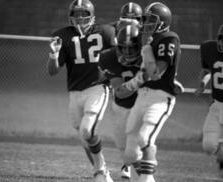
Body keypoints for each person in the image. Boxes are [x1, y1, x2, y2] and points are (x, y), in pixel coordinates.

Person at [47, 0, 116, 182]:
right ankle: (101, 171)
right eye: (75, 14)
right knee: (84, 137)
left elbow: (118, 58)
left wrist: (116, 78)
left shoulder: (106, 32)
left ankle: (100, 170)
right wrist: (53, 54)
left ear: (91, 15)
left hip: (97, 88)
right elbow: (53, 71)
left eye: (83, 13)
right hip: (75, 92)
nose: (79, 18)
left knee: (87, 130)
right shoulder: (62, 36)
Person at [119, 2, 183, 182]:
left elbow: (156, 73)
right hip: (143, 95)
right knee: (130, 152)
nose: (146, 23)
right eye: (145, 19)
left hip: (160, 98)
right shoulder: (148, 38)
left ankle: (146, 179)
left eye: (151, 20)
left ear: (162, 21)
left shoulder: (169, 38)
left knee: (144, 138)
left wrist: (132, 84)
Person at [98, 22, 143, 180]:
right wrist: (140, 79)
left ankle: (146, 177)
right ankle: (138, 172)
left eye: (131, 48)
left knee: (134, 149)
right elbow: (120, 92)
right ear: (118, 47)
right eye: (123, 47)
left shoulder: (148, 54)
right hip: (121, 107)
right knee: (124, 149)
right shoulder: (108, 57)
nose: (127, 52)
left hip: (142, 106)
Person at [195, 24, 223, 177]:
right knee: (208, 146)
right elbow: (208, 71)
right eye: (222, 39)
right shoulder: (209, 49)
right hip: (217, 104)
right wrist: (202, 83)